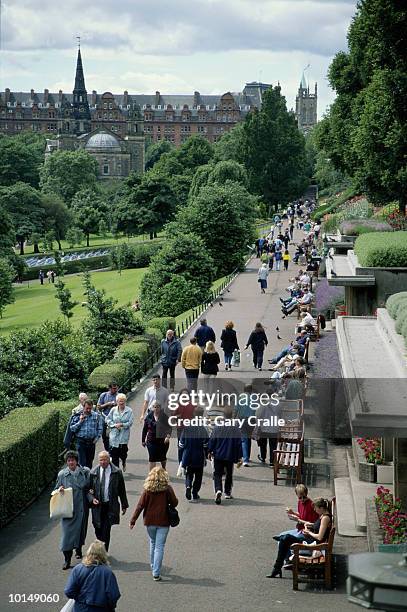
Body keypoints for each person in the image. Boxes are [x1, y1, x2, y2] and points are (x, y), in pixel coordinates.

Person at [129, 467, 178, 581]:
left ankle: (153, 565)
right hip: (163, 521)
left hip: (149, 521)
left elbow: (140, 506)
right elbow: (174, 503)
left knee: (153, 542)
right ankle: (156, 572)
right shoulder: (167, 489)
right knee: (159, 546)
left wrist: (133, 520)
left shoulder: (147, 490)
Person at [267, 497, 332, 577]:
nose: (315, 510)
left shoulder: (325, 518)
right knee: (285, 539)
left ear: (321, 508)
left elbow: (319, 537)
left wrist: (308, 532)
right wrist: (309, 525)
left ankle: (277, 568)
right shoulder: (323, 516)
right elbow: (318, 527)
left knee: (285, 539)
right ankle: (277, 567)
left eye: (316, 508)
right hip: (311, 541)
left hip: (313, 545)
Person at [54, 450, 90, 570]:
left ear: (76, 461)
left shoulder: (84, 472)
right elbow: (55, 491)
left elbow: (88, 489)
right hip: (68, 509)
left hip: (81, 508)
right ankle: (67, 559)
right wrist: (60, 489)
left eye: (73, 460)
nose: (71, 463)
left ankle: (78, 549)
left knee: (80, 532)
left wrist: (92, 498)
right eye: (69, 461)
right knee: (67, 535)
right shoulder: (62, 475)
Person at [88, 451, 128, 552]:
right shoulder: (93, 473)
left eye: (105, 459)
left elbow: (121, 489)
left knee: (106, 530)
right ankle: (100, 549)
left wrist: (124, 504)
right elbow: (87, 490)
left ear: (109, 459)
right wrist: (92, 499)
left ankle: (103, 552)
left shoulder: (116, 472)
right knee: (97, 528)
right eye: (101, 460)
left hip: (109, 505)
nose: (103, 462)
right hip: (97, 506)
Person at [64, 540, 121, 611]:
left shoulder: (78, 569)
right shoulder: (107, 572)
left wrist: (79, 598)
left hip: (81, 608)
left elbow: (68, 591)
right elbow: (114, 595)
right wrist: (110, 606)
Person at [208, 407, 242, 504]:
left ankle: (218, 489)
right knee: (229, 474)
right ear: (231, 416)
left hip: (218, 454)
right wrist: (240, 456)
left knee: (217, 473)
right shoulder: (235, 428)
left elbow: (213, 440)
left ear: (223, 416)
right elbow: (238, 443)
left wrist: (209, 451)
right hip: (230, 455)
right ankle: (227, 492)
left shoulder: (217, 427)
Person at [179, 407, 209, 501]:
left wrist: (181, 457)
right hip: (199, 456)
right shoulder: (203, 428)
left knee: (189, 474)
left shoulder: (187, 427)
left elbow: (181, 444)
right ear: (202, 414)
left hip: (188, 455)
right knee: (198, 476)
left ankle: (188, 486)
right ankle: (195, 493)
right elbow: (206, 444)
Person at [70, 400, 103, 469]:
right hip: (81, 442)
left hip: (91, 442)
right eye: (87, 408)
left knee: (89, 462)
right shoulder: (77, 415)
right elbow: (72, 429)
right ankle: (83, 478)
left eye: (90, 408)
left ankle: (88, 478)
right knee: (82, 462)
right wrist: (80, 421)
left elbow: (100, 429)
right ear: (83, 407)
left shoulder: (96, 416)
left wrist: (96, 439)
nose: (88, 410)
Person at [105, 393, 134, 471]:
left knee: (123, 454)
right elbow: (107, 419)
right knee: (114, 456)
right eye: (119, 401)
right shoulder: (113, 410)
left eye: (123, 401)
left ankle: (124, 461)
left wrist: (122, 424)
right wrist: (114, 425)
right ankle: (116, 472)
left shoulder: (129, 411)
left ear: (125, 401)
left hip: (123, 436)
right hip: (114, 435)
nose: (121, 403)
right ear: (117, 402)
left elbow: (130, 423)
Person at [142, 402, 172, 471]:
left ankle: (164, 469)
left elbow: (169, 428)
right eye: (154, 407)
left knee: (163, 457)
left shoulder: (164, 416)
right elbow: (145, 429)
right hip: (151, 441)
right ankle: (151, 475)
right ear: (152, 408)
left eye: (158, 407)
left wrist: (168, 436)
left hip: (162, 441)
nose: (156, 408)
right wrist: (143, 440)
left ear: (160, 408)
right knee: (152, 458)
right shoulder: (149, 416)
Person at [235, 384, 255, 466]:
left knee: (244, 439)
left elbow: (236, 409)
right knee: (248, 438)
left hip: (242, 419)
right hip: (252, 420)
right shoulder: (254, 398)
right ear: (251, 390)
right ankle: (248, 456)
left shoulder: (240, 397)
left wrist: (233, 419)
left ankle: (245, 459)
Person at [97, 382, 119, 451]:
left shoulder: (119, 396)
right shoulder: (104, 395)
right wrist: (107, 404)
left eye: (116, 388)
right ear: (109, 388)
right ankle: (108, 451)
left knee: (115, 436)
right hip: (104, 418)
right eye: (114, 388)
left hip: (115, 419)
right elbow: (99, 407)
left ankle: (114, 451)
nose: (115, 390)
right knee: (105, 436)